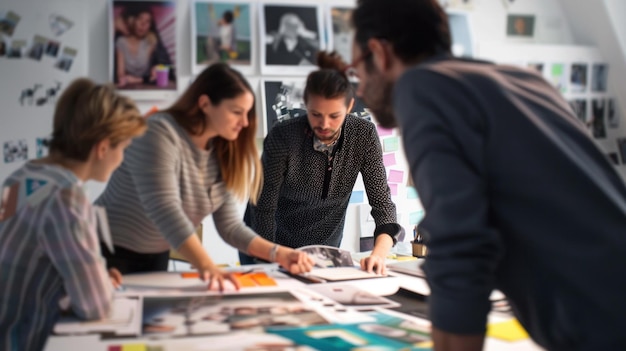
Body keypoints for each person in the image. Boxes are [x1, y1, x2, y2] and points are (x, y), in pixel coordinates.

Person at [350, 0, 626, 350]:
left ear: (380, 52)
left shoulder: (422, 86)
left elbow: (460, 246)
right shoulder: (522, 79)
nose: (359, 89)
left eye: (357, 71)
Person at [96, 63, 313, 290]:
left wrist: (279, 254)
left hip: (154, 253)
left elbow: (230, 227)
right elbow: (165, 209)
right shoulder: (158, 133)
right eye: (236, 112)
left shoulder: (220, 152)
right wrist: (208, 267)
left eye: (247, 113)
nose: (245, 122)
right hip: (105, 251)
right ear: (205, 104)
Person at [0, 78, 147, 351]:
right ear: (103, 148)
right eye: (123, 148)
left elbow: (37, 262)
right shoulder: (67, 197)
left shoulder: (22, 175)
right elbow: (96, 305)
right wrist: (98, 282)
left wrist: (96, 277)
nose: (122, 159)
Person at [242, 52, 401, 274]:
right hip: (270, 245)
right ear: (305, 103)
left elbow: (383, 206)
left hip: (324, 249)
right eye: (315, 114)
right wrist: (273, 262)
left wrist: (378, 255)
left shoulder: (363, 136)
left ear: (349, 106)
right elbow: (263, 209)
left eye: (334, 116)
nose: (324, 124)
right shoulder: (282, 137)